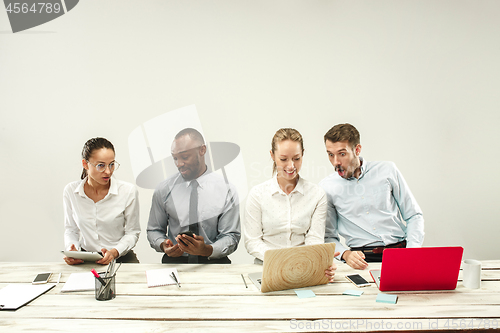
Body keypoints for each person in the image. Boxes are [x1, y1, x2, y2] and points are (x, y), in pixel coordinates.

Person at [320, 123, 425, 270]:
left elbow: (413, 215)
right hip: (362, 261)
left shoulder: (387, 170)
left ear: (357, 150)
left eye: (342, 154)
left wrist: (412, 251)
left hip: (401, 254)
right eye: (330, 154)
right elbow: (328, 236)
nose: (336, 162)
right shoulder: (327, 187)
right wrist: (345, 254)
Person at [244, 128, 339, 282]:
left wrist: (319, 260)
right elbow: (252, 242)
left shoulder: (316, 194)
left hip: (304, 269)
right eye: (283, 159)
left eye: (296, 158)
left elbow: (314, 238)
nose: (290, 166)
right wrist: (283, 261)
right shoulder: (257, 195)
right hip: (266, 269)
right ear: (272, 156)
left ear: (303, 154)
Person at [147, 128, 240, 264]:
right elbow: (154, 230)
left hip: (213, 262)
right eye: (175, 158)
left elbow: (231, 236)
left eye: (185, 157)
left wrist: (206, 250)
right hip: (175, 261)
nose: (179, 164)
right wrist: (163, 245)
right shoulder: (163, 189)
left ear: (202, 150)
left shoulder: (226, 189)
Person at [63, 137, 141, 265]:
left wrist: (114, 252)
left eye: (112, 164)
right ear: (85, 164)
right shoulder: (71, 191)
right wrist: (72, 250)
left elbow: (132, 232)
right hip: (85, 258)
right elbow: (71, 229)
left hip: (120, 258)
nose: (108, 171)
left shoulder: (128, 191)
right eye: (101, 165)